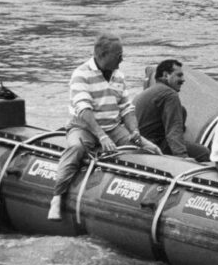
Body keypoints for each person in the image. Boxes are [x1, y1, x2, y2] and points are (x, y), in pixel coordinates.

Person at [48, 33, 161, 221]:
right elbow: (83, 109)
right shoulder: (81, 74)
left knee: (145, 148)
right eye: (118, 55)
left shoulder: (118, 76)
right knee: (76, 148)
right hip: (84, 126)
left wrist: (136, 134)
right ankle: (57, 197)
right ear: (102, 55)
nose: (122, 59)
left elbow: (126, 108)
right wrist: (101, 136)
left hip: (113, 126)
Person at [133, 59, 211, 162]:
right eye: (179, 75)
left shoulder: (147, 93)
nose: (183, 80)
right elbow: (173, 131)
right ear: (166, 75)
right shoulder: (169, 95)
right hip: (154, 146)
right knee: (204, 152)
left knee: (181, 111)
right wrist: (182, 157)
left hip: (139, 143)